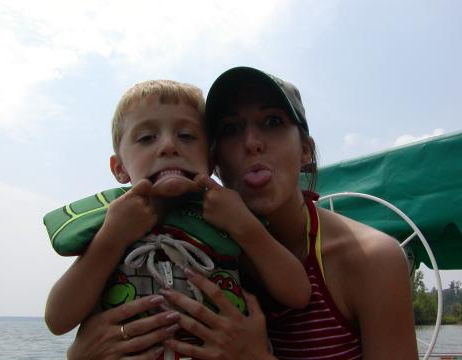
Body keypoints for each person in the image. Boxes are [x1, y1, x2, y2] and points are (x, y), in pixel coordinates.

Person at [67, 67, 418, 360]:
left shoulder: (372, 260)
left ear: (306, 151)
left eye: (272, 121)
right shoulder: (194, 247)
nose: (252, 142)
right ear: (215, 161)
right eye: (231, 129)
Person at [45, 79, 310, 359]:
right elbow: (58, 320)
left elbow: (297, 293)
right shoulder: (112, 223)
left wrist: (246, 227)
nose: (169, 146)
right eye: (147, 138)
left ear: (210, 159)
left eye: (186, 136)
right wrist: (111, 238)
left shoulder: (226, 219)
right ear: (120, 168)